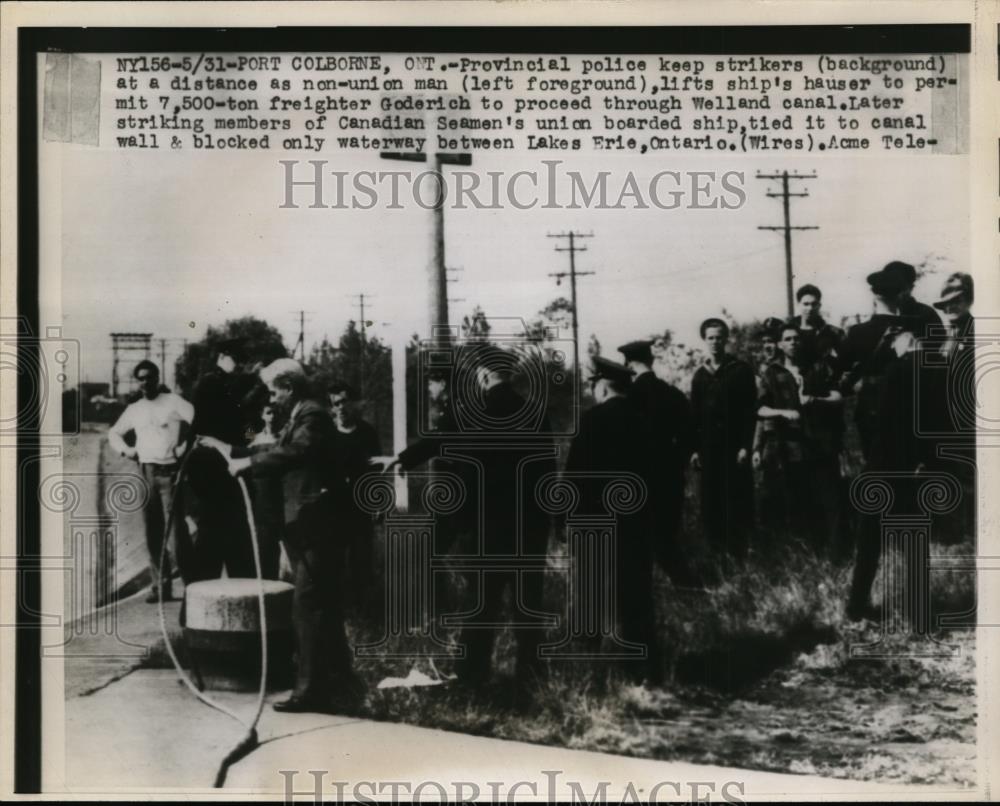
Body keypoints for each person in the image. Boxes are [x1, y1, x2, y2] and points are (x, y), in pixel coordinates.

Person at [390, 344, 557, 695]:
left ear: (482, 376)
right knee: (527, 604)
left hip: (487, 528)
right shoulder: (536, 413)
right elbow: (546, 474)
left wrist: (402, 459)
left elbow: (447, 451)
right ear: (509, 375)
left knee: (481, 605)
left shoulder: (473, 414)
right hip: (528, 527)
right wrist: (552, 521)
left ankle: (471, 675)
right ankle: (531, 675)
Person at [205, 361, 362, 714]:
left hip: (318, 522)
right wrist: (236, 452)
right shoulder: (302, 414)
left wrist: (248, 465)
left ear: (289, 386)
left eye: (275, 391)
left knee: (308, 605)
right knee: (323, 604)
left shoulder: (313, 416)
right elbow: (280, 447)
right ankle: (339, 679)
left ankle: (310, 692)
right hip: (308, 522)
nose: (272, 398)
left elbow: (297, 451)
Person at [564, 356, 662, 683]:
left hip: (593, 523)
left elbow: (573, 477)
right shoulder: (645, 421)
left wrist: (563, 522)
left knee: (591, 593)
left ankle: (589, 669)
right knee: (635, 596)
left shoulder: (591, 422)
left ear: (602, 386)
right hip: (636, 524)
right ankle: (641, 671)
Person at [108, 360, 194, 603]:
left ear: (157, 378)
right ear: (138, 382)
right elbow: (114, 433)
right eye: (141, 378)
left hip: (170, 472)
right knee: (152, 534)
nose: (145, 382)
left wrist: (184, 447)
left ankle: (192, 588)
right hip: (145, 471)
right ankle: (161, 587)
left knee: (177, 536)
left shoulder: (174, 402)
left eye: (149, 377)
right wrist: (127, 450)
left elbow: (199, 421)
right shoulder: (135, 408)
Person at [617, 339, 699, 587]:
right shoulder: (672, 394)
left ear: (627, 364)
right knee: (665, 538)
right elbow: (690, 435)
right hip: (669, 477)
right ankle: (688, 585)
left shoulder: (628, 398)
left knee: (635, 539)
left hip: (636, 479)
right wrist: (676, 462)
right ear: (652, 361)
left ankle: (645, 590)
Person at [184, 338, 256, 580]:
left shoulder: (231, 387)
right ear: (222, 356)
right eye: (237, 360)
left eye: (243, 362)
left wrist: (251, 437)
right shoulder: (211, 383)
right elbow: (209, 424)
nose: (240, 366)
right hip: (210, 463)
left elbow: (246, 428)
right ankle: (198, 606)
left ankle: (242, 595)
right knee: (213, 533)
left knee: (234, 533)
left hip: (228, 462)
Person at [690, 318, 757, 561]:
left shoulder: (740, 370)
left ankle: (740, 555)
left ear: (726, 339)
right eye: (710, 338)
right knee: (712, 502)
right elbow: (695, 416)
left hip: (734, 448)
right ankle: (716, 556)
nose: (715, 342)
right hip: (709, 450)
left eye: (719, 337)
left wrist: (745, 446)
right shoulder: (700, 376)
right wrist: (695, 450)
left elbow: (750, 413)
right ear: (704, 340)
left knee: (737, 500)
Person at [328, 382, 382, 613]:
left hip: (360, 504)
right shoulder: (327, 434)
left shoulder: (367, 433)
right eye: (335, 404)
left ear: (354, 404)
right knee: (334, 558)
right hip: (334, 505)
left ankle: (364, 608)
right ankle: (338, 608)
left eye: (343, 402)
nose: (340, 408)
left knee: (361, 557)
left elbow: (376, 468)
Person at [753, 325, 809, 547]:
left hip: (809, 442)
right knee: (775, 495)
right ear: (781, 344)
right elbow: (760, 409)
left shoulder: (810, 369)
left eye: (797, 338)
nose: (793, 342)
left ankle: (805, 547)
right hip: (780, 444)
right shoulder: (772, 373)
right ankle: (776, 548)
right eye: (788, 339)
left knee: (803, 496)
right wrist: (784, 413)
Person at [787, 284, 843, 368]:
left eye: (814, 304)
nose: (810, 308)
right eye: (806, 304)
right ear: (799, 305)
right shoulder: (787, 332)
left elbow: (847, 359)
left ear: (819, 305)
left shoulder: (832, 332)